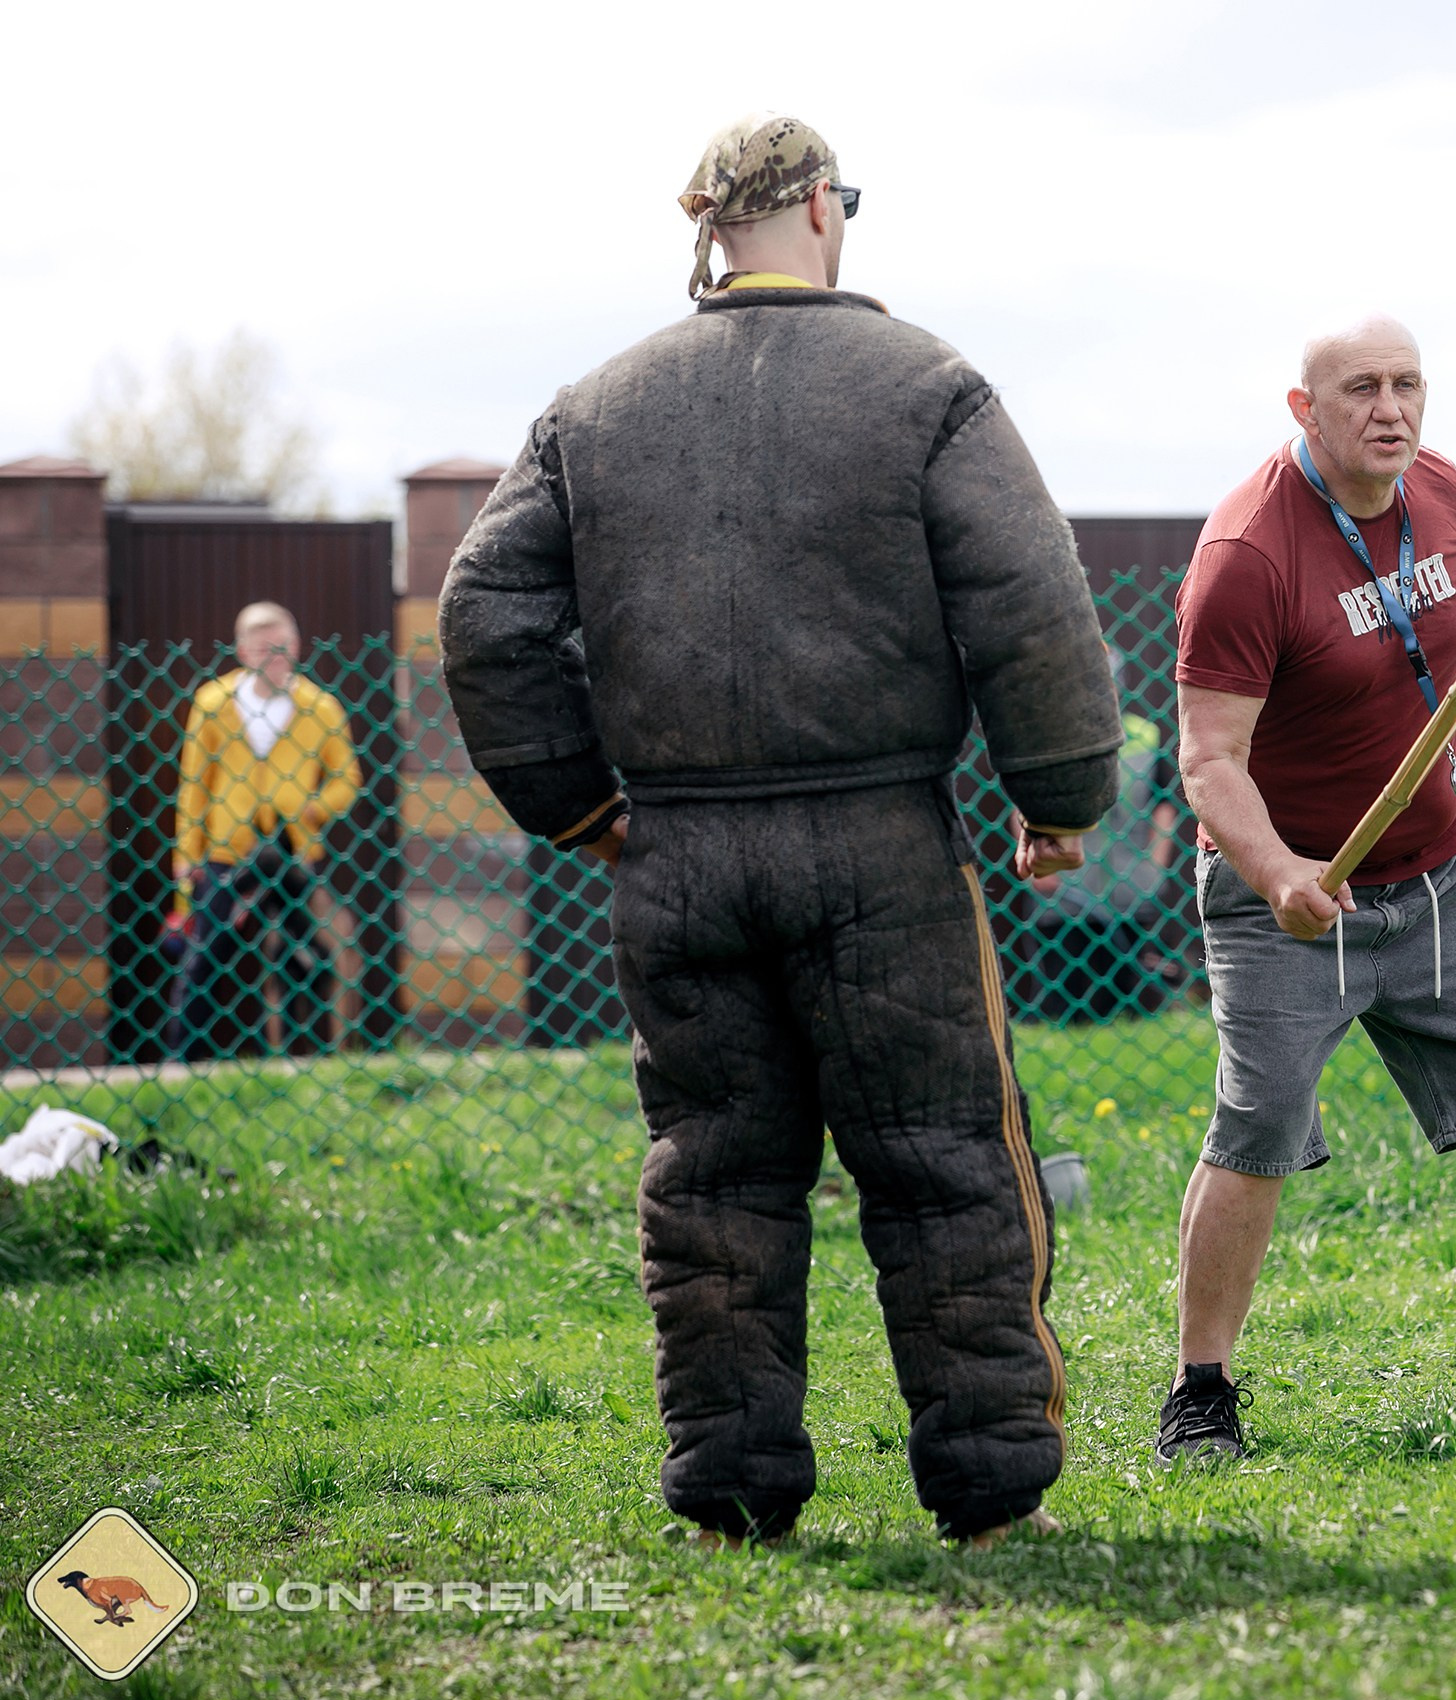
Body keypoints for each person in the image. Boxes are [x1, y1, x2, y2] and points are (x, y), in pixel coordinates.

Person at [437, 113, 1122, 1549]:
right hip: (882, 845)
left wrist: (578, 801)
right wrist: (1057, 797)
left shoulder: (593, 409)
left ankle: (735, 1493)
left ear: (712, 224)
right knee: (942, 1160)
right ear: (822, 207)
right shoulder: (925, 385)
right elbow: (1032, 602)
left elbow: (484, 613)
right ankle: (990, 1493)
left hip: (674, 857)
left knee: (716, 1177)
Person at [1159, 315, 1456, 1463]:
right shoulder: (1248, 556)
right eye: (1361, 388)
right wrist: (1276, 876)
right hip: (1289, 892)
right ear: (1303, 408)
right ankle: (1200, 1389)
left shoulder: (1440, 491)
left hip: (1440, 874)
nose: (1391, 409)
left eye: (1407, 384)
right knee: (1257, 1127)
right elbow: (1207, 759)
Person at [168, 601, 357, 1059]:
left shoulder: (320, 707)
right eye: (262, 648)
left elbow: (347, 779)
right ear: (242, 651)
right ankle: (183, 1059)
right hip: (228, 850)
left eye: (281, 647)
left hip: (293, 849)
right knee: (206, 956)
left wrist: (312, 808)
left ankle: (303, 1054)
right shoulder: (213, 703)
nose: (273, 656)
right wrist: (186, 853)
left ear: (296, 647)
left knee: (301, 952)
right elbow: (194, 784)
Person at [1016, 649, 1183, 1023]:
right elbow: (1021, 803)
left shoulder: (1144, 735)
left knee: (1133, 1000)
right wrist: (1037, 864)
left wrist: (1154, 864)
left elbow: (1163, 805)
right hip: (1066, 889)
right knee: (1068, 1002)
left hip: (1129, 887)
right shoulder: (1048, 736)